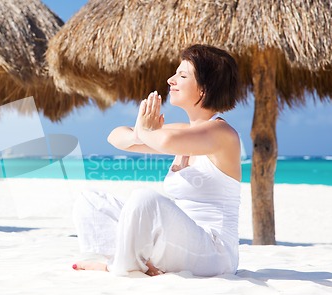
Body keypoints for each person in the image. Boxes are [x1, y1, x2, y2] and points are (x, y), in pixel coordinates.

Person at [72, 44, 242, 277]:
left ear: (204, 87)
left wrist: (145, 131)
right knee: (90, 201)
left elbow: (165, 141)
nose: (171, 80)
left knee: (145, 198)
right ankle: (129, 261)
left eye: (182, 75)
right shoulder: (181, 132)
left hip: (214, 253)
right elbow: (115, 137)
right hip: (178, 244)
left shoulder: (222, 134)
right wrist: (139, 132)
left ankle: (119, 266)